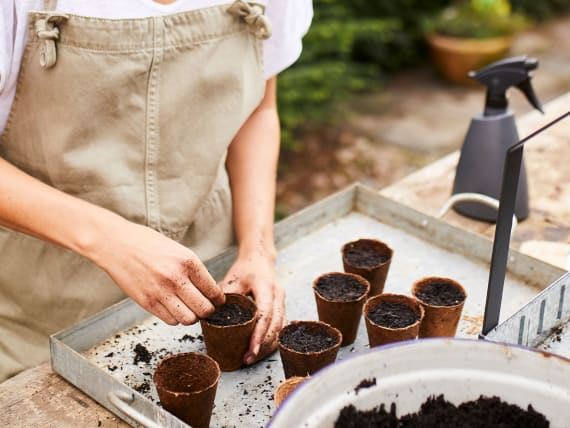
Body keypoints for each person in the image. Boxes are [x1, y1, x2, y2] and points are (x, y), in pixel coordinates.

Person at [0, 0, 313, 381]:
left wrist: (257, 250)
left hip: (209, 286)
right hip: (42, 315)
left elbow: (259, 110)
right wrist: (112, 240)